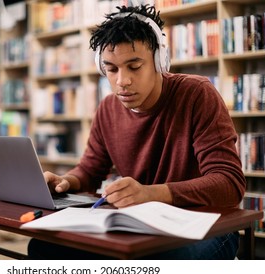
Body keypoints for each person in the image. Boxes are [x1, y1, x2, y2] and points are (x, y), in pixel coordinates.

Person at [28, 4, 246, 260]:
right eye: (111, 69)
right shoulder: (108, 108)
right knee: (44, 247)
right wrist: (66, 182)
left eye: (134, 66)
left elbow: (229, 183)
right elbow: (90, 170)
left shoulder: (197, 95)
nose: (122, 81)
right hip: (141, 226)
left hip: (207, 225)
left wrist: (151, 193)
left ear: (159, 61)